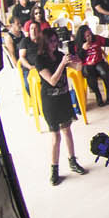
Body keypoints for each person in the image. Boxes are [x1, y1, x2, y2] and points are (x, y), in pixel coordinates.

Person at [35, 27, 88, 186]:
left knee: (67, 130)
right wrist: (62, 64)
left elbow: (77, 69)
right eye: (51, 41)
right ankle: (54, 169)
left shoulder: (59, 55)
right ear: (45, 43)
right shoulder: (40, 60)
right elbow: (52, 80)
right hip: (50, 101)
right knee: (55, 136)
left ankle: (73, 161)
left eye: (55, 40)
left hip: (64, 97)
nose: (54, 43)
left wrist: (78, 60)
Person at [72, 25, 109, 107]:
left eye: (90, 34)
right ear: (82, 37)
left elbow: (108, 41)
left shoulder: (96, 38)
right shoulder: (77, 43)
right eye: (87, 36)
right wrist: (83, 50)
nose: (90, 37)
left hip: (98, 62)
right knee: (88, 73)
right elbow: (77, 58)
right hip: (86, 65)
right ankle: (98, 95)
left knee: (105, 71)